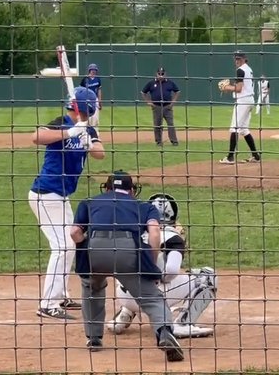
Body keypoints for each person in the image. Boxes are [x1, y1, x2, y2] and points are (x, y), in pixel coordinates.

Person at [69, 172, 185, 362]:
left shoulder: (89, 202)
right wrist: (150, 264)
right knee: (151, 298)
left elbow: (74, 232)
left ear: (107, 189)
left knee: (92, 288)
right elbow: (154, 233)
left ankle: (94, 339)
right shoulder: (143, 206)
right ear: (132, 190)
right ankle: (164, 333)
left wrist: (87, 248)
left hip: (95, 250)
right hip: (128, 251)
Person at [29, 86, 105, 320]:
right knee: (62, 245)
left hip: (60, 197)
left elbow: (101, 153)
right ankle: (48, 303)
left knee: (70, 241)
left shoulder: (88, 128)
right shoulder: (60, 123)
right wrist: (70, 133)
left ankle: (60, 295)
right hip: (45, 194)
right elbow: (37, 136)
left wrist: (88, 141)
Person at [108, 193, 217, 339]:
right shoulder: (173, 238)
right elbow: (171, 270)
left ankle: (124, 315)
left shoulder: (133, 231)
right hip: (153, 297)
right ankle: (183, 324)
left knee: (134, 273)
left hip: (123, 294)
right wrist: (157, 278)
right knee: (208, 276)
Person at [218, 51, 261, 164]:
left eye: (239, 58)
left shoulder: (240, 70)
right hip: (250, 100)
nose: (237, 60)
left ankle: (230, 157)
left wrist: (227, 87)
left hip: (243, 101)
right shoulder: (248, 69)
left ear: (244, 59)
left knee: (234, 128)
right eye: (236, 58)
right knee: (244, 129)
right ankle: (256, 156)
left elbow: (239, 88)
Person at [141, 67, 180, 147]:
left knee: (170, 124)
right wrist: (149, 102)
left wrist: (173, 102)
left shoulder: (169, 82)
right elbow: (143, 92)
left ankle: (174, 141)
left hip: (167, 106)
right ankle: (159, 142)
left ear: (165, 74)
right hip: (157, 106)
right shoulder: (151, 83)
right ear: (156, 73)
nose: (161, 75)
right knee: (157, 125)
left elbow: (177, 91)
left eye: (162, 74)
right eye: (159, 73)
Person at [79, 63, 102, 129]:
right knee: (87, 117)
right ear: (89, 70)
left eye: (95, 70)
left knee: (96, 117)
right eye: (92, 70)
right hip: (87, 100)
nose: (94, 71)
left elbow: (99, 90)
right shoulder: (85, 79)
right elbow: (81, 90)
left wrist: (100, 101)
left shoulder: (98, 79)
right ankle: (86, 133)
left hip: (95, 99)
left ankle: (96, 134)